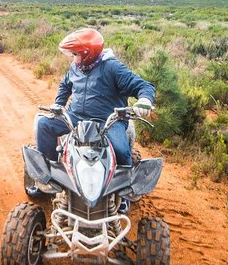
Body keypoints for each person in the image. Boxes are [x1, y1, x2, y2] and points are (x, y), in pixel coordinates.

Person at [34, 28, 155, 210]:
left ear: (87, 54)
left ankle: (123, 194)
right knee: (44, 124)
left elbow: (142, 85)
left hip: (107, 120)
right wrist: (59, 104)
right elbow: (65, 85)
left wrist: (145, 100)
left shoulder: (112, 67)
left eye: (75, 54)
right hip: (75, 117)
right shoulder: (76, 67)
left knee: (121, 149)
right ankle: (49, 177)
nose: (73, 58)